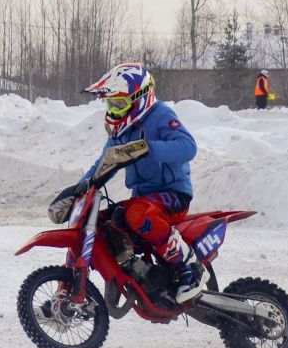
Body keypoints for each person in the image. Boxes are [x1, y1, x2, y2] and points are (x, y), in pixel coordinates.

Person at [79, 62, 204, 303]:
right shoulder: (120, 131)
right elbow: (105, 161)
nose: (114, 111)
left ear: (140, 98)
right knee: (108, 221)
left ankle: (189, 267)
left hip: (173, 195)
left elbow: (188, 147)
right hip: (144, 200)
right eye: (110, 104)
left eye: (120, 104)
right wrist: (82, 187)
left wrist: (148, 148)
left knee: (136, 214)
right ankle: (139, 274)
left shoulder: (160, 116)